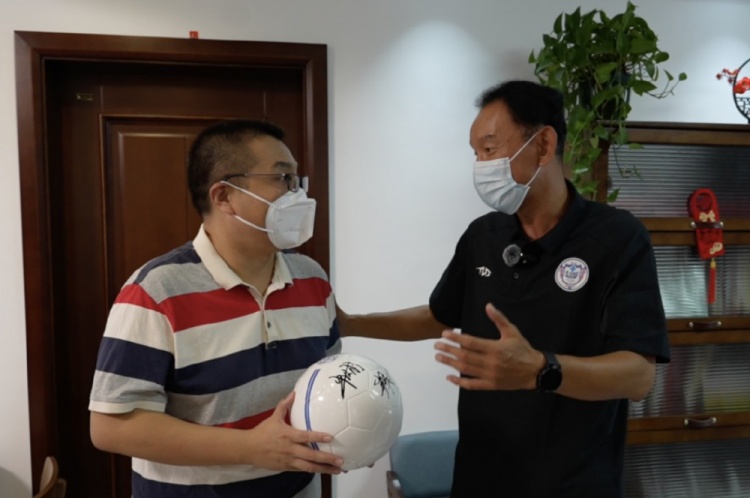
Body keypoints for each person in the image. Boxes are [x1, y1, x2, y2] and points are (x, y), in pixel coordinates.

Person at [338, 80, 670, 497]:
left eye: (490, 149)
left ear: (543, 145)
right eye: (475, 153)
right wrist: (350, 324)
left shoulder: (617, 238)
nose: (480, 165)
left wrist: (541, 370)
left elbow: (637, 376)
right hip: (480, 478)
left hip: (573, 484)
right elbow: (439, 316)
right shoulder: (484, 236)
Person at [89, 119, 344, 498]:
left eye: (297, 180)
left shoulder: (312, 278)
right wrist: (249, 448)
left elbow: (324, 386)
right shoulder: (156, 290)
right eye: (282, 178)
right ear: (224, 196)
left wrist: (356, 431)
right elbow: (111, 426)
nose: (298, 194)